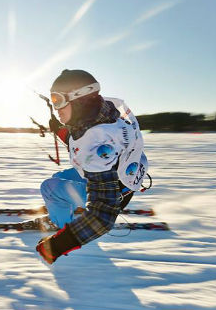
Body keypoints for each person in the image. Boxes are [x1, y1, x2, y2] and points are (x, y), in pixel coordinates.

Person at [36, 69, 148, 264]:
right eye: (53, 101)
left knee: (49, 187)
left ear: (79, 99)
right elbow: (79, 137)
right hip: (123, 180)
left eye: (59, 100)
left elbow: (103, 215)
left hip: (115, 193)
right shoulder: (105, 114)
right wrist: (59, 129)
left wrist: (57, 245)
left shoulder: (96, 145)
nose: (56, 108)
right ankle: (66, 207)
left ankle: (64, 224)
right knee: (58, 176)